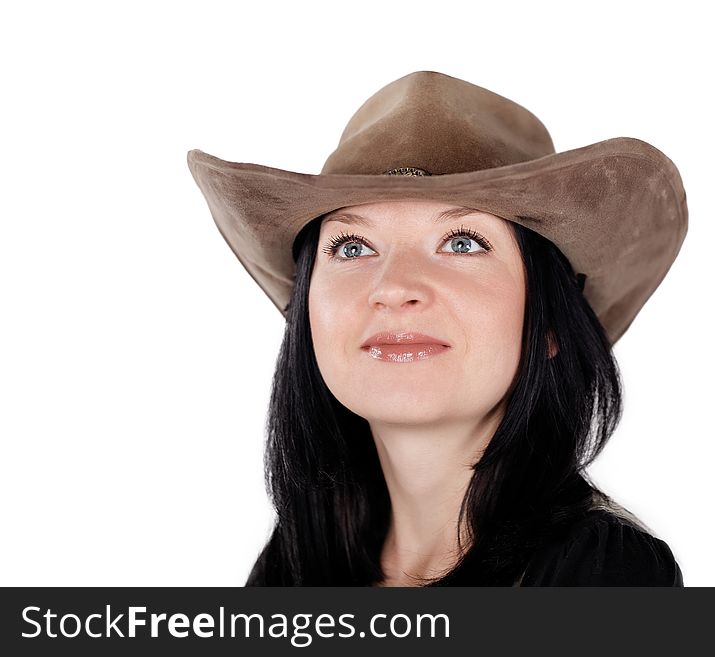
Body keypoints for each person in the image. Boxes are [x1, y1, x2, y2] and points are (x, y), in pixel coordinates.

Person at [187, 71, 688, 586]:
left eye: (463, 242)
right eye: (352, 248)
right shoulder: (288, 569)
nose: (393, 286)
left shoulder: (605, 574)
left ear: (549, 326)